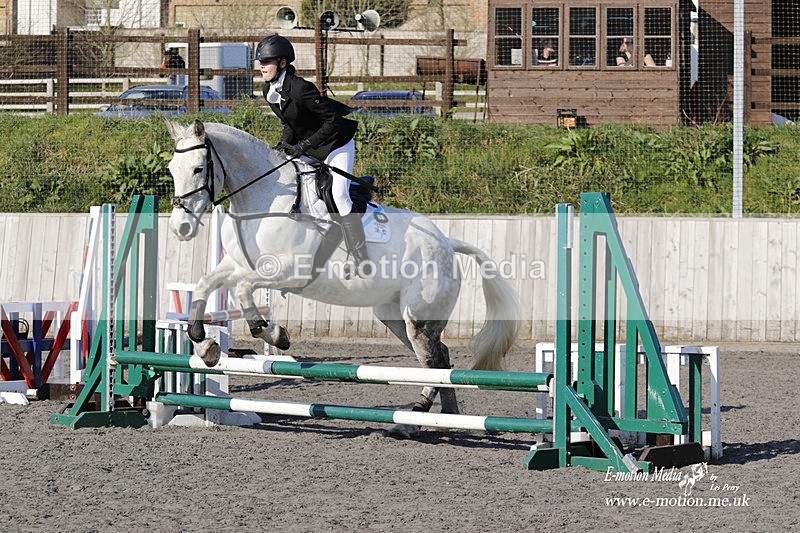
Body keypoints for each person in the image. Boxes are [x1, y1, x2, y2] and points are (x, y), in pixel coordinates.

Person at [255, 34, 368, 274]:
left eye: (266, 62)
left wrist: (304, 145)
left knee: (339, 195)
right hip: (310, 146)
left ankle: (361, 257)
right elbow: (290, 123)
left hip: (336, 143)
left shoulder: (301, 88)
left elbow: (332, 121)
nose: (262, 66)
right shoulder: (269, 90)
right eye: (260, 62)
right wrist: (282, 146)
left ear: (282, 63)